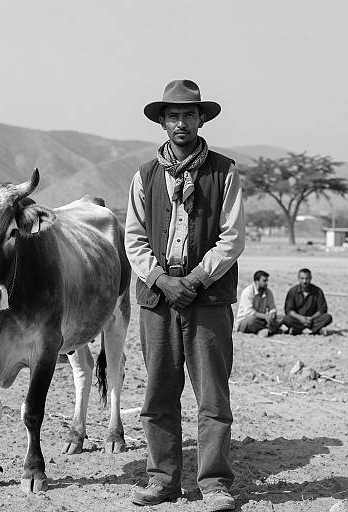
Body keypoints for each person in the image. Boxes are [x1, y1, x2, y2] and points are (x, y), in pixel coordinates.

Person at [125, 79, 245, 510]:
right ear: (162, 122)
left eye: (189, 114)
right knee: (158, 394)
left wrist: (193, 281)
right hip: (158, 299)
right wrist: (161, 280)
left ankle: (213, 484)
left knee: (212, 396)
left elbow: (231, 238)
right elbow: (134, 239)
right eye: (173, 115)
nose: (181, 122)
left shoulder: (224, 171)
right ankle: (163, 481)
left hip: (207, 297)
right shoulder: (144, 176)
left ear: (201, 119)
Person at [282, 268, 333, 335]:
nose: (304, 281)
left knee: (328, 317)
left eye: (307, 278)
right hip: (298, 319)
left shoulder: (317, 291)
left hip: (313, 320)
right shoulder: (293, 291)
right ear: (298, 278)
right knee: (286, 319)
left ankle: (299, 329)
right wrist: (300, 318)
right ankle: (316, 329)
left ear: (311, 278)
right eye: (302, 278)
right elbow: (289, 310)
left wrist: (311, 318)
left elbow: (322, 309)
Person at [236, 270, 282, 337]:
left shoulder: (268, 292)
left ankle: (264, 330)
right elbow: (249, 312)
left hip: (261, 320)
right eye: (264, 281)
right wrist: (265, 316)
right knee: (252, 321)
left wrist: (272, 314)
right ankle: (269, 329)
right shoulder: (247, 292)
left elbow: (272, 307)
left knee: (281, 318)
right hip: (246, 321)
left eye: (267, 281)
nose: (266, 283)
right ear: (257, 281)